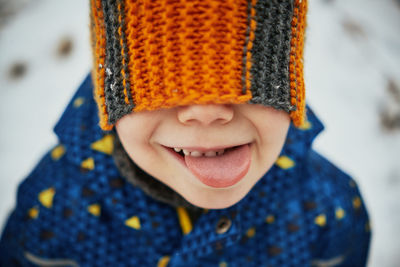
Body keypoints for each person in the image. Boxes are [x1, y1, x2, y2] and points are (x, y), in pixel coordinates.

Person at [0, 0, 371, 266]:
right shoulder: (53, 208)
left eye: (247, 70)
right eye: (158, 76)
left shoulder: (328, 207)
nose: (207, 112)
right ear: (110, 85)